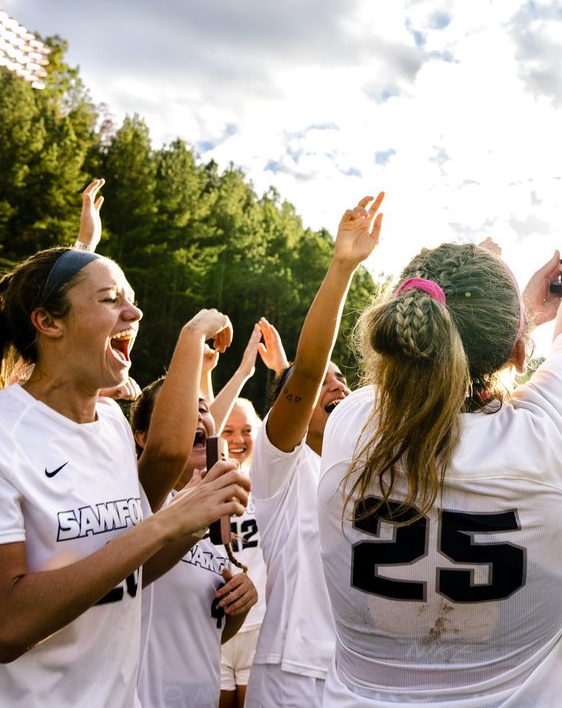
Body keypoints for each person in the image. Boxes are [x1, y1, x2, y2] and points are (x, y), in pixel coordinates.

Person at [317, 83, 562, 705]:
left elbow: (430, 384)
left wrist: (514, 316)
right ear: (516, 348)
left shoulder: (351, 423)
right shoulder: (554, 439)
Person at [0, 243, 250, 706]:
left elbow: (122, 574)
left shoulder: (112, 422)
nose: (133, 312)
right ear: (48, 322)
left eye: (130, 298)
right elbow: (5, 625)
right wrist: (165, 524)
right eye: (111, 299)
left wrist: (191, 524)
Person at [248, 194, 383, 706]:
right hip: (293, 677)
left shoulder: (375, 469)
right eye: (323, 384)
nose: (336, 385)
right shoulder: (283, 467)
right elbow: (304, 370)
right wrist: (342, 267)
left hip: (367, 678)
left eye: (344, 378)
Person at [130, 379, 258, 708]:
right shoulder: (139, 503)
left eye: (202, 408)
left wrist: (240, 606)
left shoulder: (219, 515)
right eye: (182, 411)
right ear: (143, 438)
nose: (197, 415)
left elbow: (205, 632)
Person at [219, 397, 269, 708]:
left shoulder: (267, 483)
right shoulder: (203, 486)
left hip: (259, 625)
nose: (238, 440)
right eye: (229, 431)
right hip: (216, 629)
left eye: (247, 430)